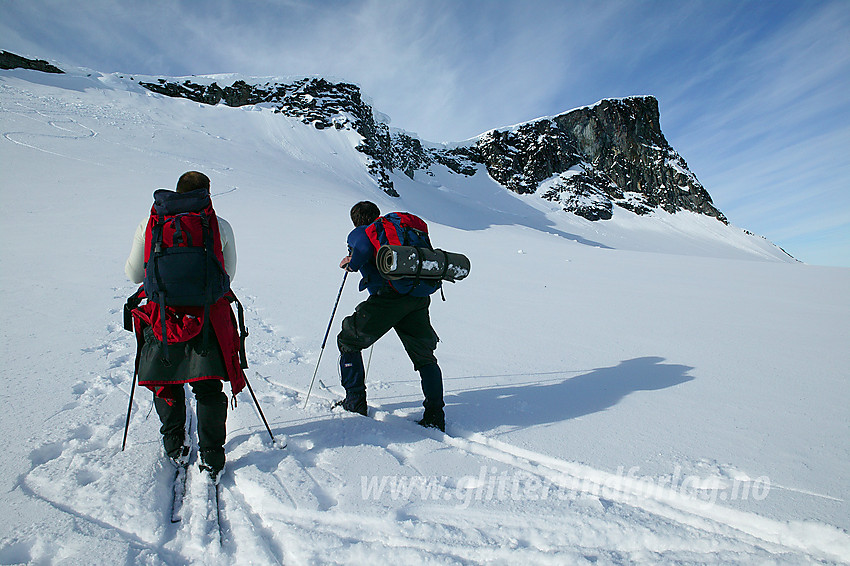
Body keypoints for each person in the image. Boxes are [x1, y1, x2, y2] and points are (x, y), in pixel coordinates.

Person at [125, 171, 244, 479]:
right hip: (206, 318)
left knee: (167, 380)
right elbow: (227, 274)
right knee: (207, 386)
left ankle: (175, 444)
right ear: (207, 193)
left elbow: (135, 275)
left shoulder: (150, 223)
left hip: (162, 316)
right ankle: (212, 456)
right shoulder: (219, 225)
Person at [336, 201, 446, 431]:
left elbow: (363, 250)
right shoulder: (402, 231)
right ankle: (435, 415)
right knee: (424, 356)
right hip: (417, 295)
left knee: (347, 340)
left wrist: (352, 263)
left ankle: (355, 402)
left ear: (356, 219)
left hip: (390, 298)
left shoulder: (363, 231)